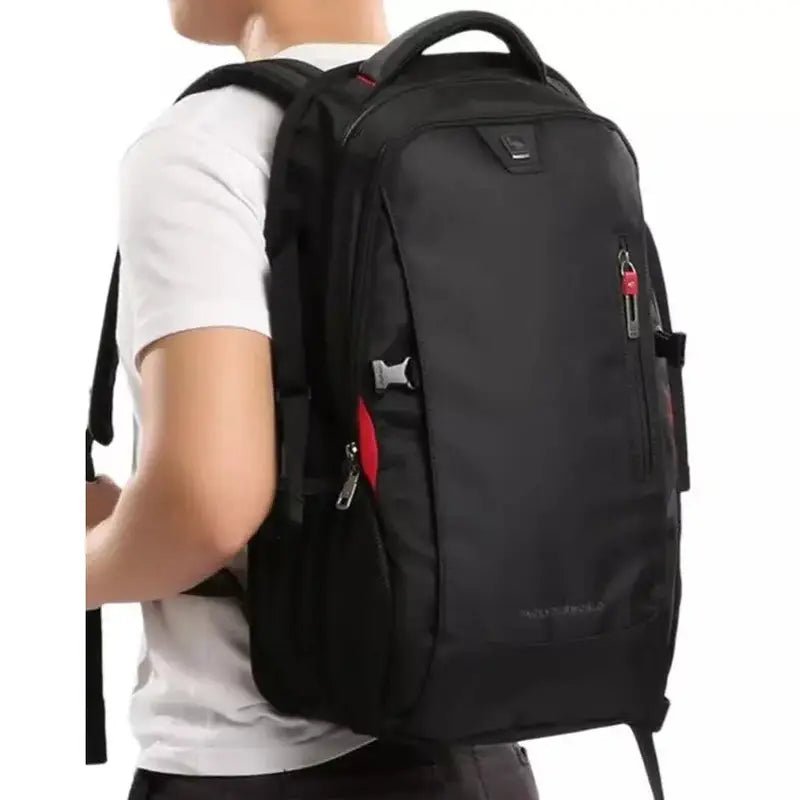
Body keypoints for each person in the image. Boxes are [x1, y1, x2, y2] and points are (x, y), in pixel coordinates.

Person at [85, 1, 540, 798]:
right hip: (484, 752)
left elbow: (205, 509)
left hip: (262, 764)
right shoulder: (491, 122)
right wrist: (132, 520)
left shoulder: (208, 143)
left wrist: (75, 564)